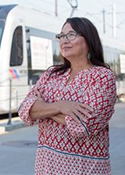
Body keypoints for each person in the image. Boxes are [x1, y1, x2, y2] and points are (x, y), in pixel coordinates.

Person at [18, 17, 116, 175]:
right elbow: (25, 109)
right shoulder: (52, 73)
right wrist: (61, 106)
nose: (64, 40)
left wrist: (44, 109)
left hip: (86, 169)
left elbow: (85, 125)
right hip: (46, 168)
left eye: (71, 34)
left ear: (89, 39)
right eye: (61, 36)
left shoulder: (103, 77)